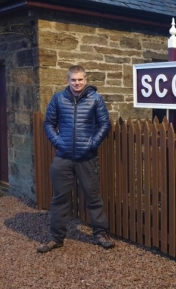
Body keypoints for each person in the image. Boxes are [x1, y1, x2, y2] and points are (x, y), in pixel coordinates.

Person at [37, 65, 114, 253]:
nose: (77, 83)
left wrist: (92, 144)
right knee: (59, 199)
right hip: (63, 157)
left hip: (87, 157)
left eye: (80, 79)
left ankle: (100, 234)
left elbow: (105, 124)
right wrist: (58, 143)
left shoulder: (95, 99)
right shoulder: (58, 98)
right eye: (73, 79)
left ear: (85, 80)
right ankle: (56, 237)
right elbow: (48, 123)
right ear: (68, 80)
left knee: (93, 198)